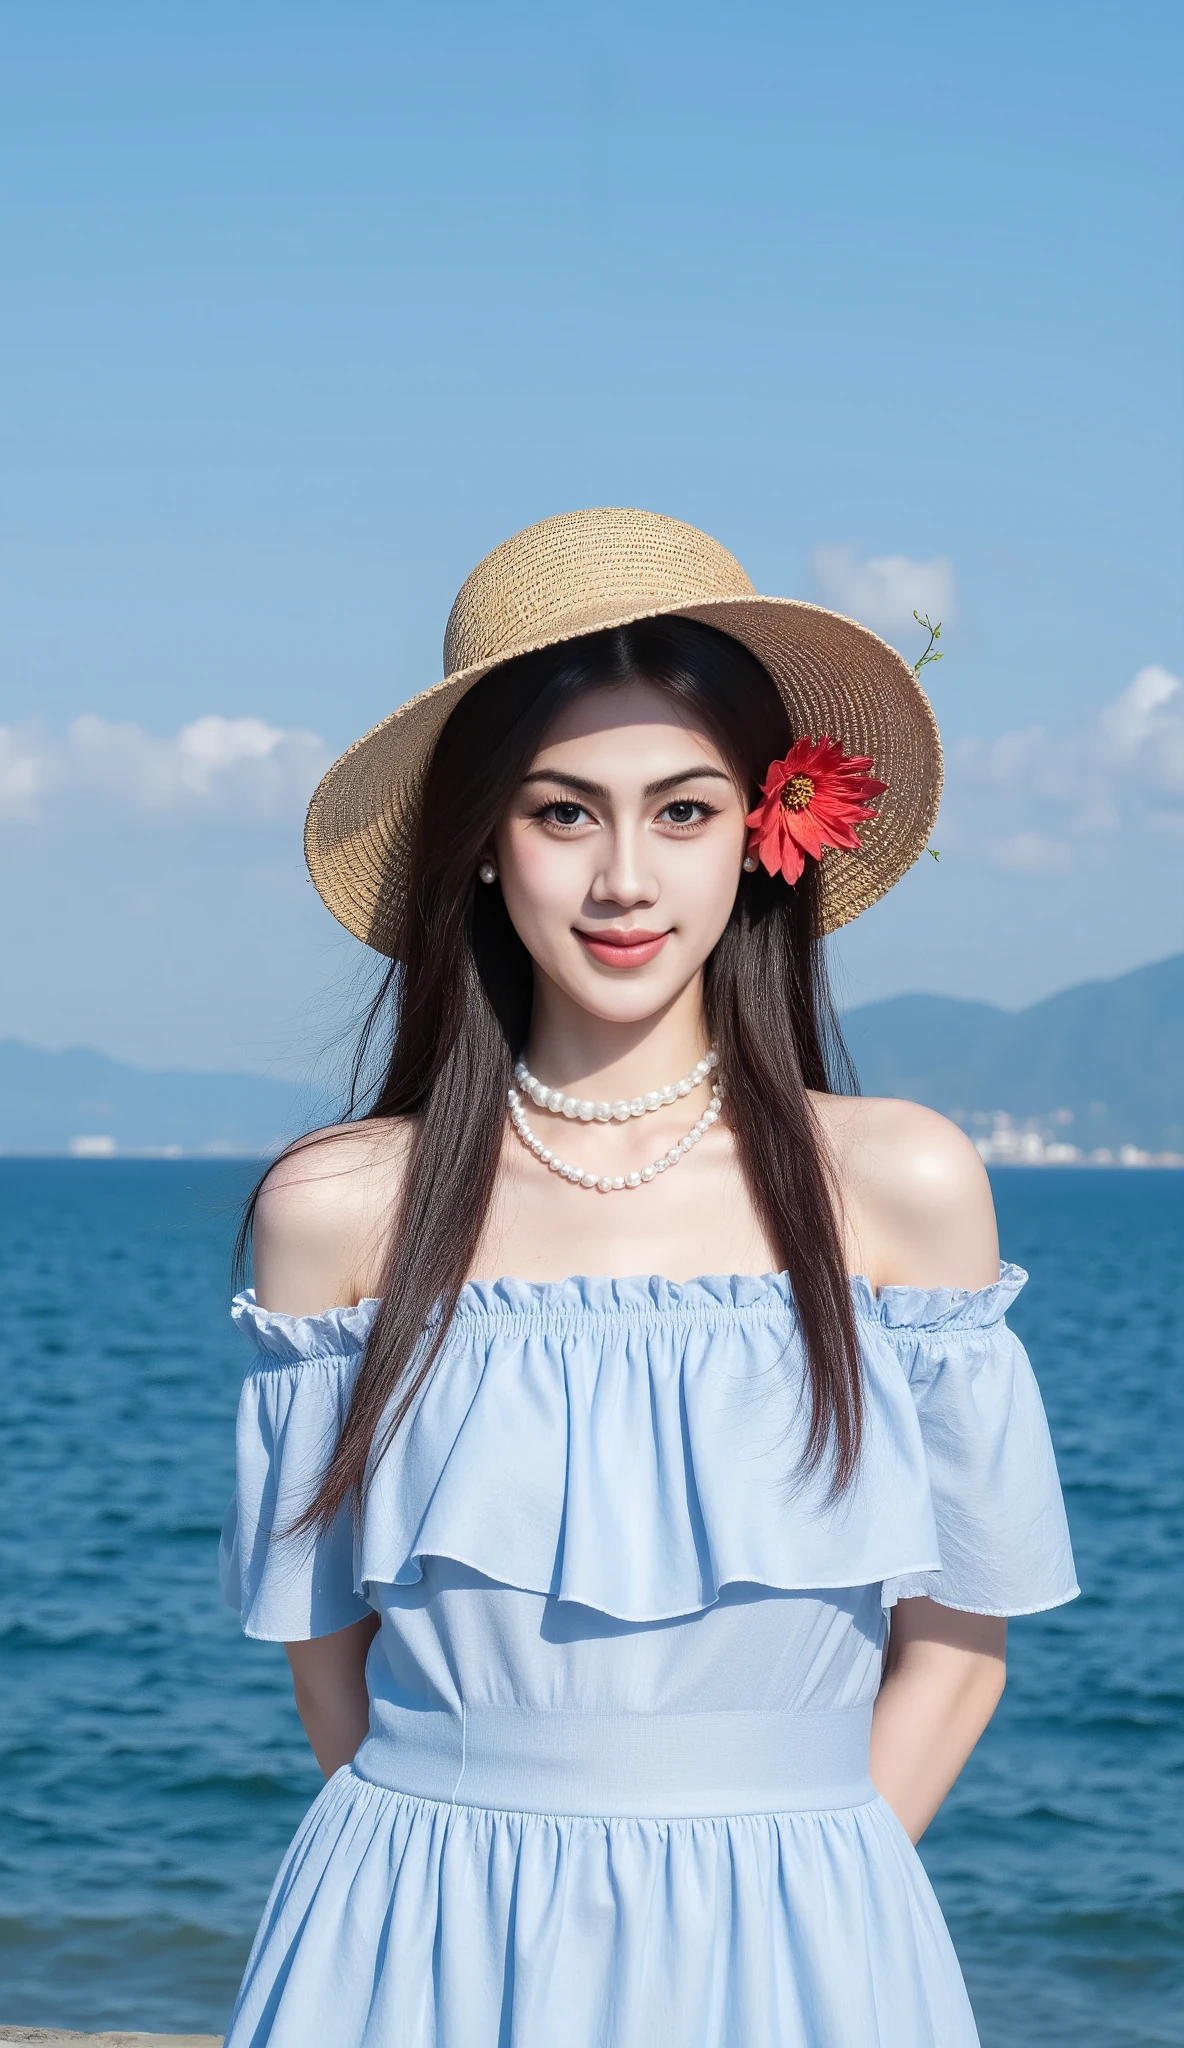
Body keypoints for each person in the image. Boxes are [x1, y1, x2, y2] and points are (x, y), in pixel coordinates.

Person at [218, 507, 1078, 2047]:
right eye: (563, 812)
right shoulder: (339, 1205)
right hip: (409, 1928)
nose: (625, 877)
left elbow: (959, 1642)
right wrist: (444, 1884)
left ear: (762, 831)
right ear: (481, 840)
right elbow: (327, 1665)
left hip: (805, 1929)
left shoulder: (901, 1182)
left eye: (681, 810)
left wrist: (807, 1899)